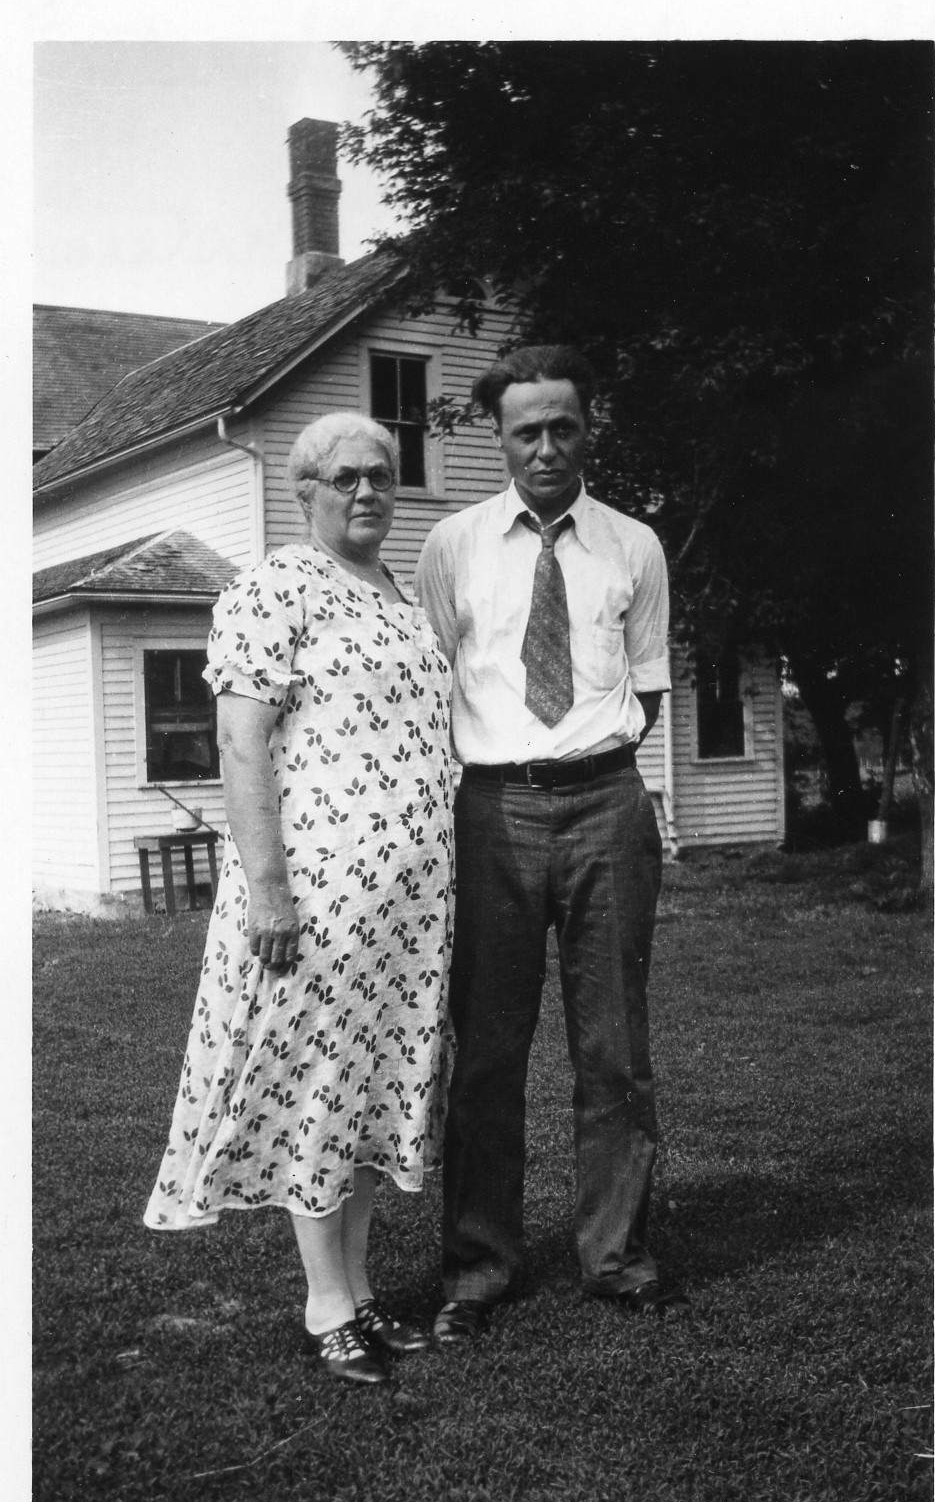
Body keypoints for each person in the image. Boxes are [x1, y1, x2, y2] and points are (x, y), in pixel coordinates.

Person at [144, 413, 454, 1387]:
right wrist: (269, 890)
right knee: (318, 1081)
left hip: (408, 911)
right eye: (346, 477)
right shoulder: (277, 585)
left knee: (375, 1089)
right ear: (306, 490)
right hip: (319, 899)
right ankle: (327, 1303)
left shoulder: (403, 598)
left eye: (381, 475)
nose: (367, 491)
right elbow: (239, 742)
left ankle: (359, 1288)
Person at [416, 344, 687, 1344]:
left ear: (587, 429)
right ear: (498, 436)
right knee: (487, 1049)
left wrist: (584, 768)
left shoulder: (634, 546)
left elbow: (647, 687)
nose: (545, 446)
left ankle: (616, 1256)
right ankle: (479, 1266)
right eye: (525, 429)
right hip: (491, 810)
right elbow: (428, 685)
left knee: (614, 1044)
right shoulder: (451, 546)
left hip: (606, 803)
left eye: (562, 426)